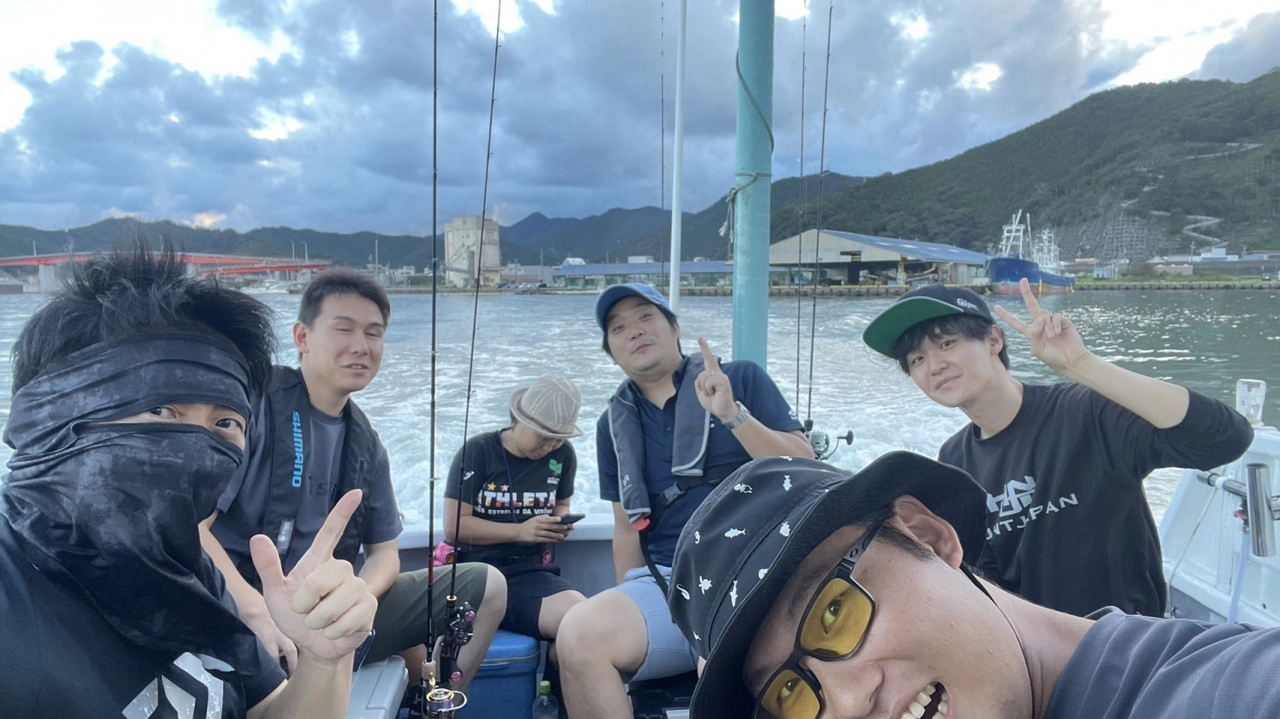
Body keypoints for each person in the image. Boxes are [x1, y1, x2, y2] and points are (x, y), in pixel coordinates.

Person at [0, 243, 378, 718]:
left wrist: (325, 659)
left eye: (225, 424)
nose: (197, 451)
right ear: (51, 417)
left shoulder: (184, 567)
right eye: (161, 410)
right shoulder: (13, 596)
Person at [666, 452, 1280, 719]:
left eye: (833, 613)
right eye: (789, 695)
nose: (846, 704)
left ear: (929, 536)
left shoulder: (1235, 692)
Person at [860, 280, 1253, 617]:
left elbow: (1224, 439)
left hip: (1131, 646)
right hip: (1040, 658)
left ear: (993, 340)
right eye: (917, 359)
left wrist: (1081, 364)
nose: (934, 366)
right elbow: (985, 576)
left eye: (946, 343)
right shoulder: (953, 461)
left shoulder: (1085, 412)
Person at [199, 268, 505, 691]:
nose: (361, 346)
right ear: (302, 337)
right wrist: (254, 608)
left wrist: (352, 600)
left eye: (373, 333)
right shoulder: (250, 406)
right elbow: (193, 526)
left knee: (488, 587)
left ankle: (439, 708)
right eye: (344, 329)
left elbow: (385, 556)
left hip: (321, 611)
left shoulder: (367, 444)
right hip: (237, 601)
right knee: (405, 655)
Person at [555, 283, 814, 717]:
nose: (634, 331)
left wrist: (732, 414)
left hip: (762, 568)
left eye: (645, 316)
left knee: (721, 663)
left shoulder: (740, 379)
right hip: (671, 583)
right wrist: (628, 599)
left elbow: (803, 464)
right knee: (578, 634)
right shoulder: (611, 427)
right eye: (618, 328)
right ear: (612, 353)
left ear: (675, 328)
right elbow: (626, 528)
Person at [443, 376, 586, 645]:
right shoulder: (478, 451)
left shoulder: (564, 455)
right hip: (476, 572)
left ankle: (556, 673)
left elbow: (562, 504)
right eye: (544, 437)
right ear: (521, 419)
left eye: (557, 440)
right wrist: (520, 532)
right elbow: (454, 526)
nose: (548, 447)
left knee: (584, 620)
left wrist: (558, 524)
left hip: (530, 572)